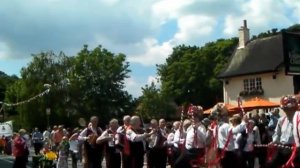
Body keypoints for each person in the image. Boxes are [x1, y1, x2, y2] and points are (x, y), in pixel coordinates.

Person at [267, 95, 299, 168]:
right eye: (284, 108)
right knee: (270, 164)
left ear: (294, 108)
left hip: (295, 150)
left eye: (288, 108)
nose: (286, 110)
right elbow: (277, 134)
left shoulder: (298, 119)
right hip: (282, 148)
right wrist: (273, 142)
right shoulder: (281, 120)